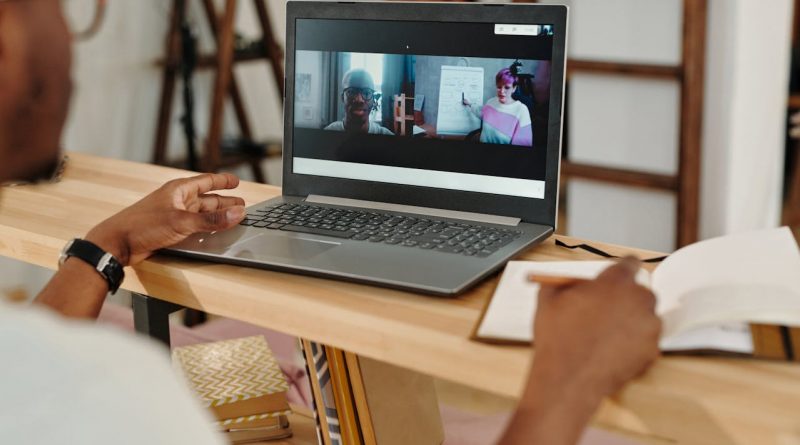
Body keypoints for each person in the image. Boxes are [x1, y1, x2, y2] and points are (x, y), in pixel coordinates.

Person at [0, 1, 660, 444]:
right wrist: (566, 387)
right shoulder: (117, 397)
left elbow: (28, 363)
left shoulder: (41, 374)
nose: (68, 28)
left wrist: (109, 242)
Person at [462, 67, 533, 147]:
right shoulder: (491, 102)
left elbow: (523, 146)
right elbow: (481, 112)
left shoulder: (521, 110)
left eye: (507, 87)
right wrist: (470, 104)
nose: (502, 91)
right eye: (499, 87)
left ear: (514, 88)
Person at [323, 68, 394, 135]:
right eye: (351, 92)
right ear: (342, 98)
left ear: (373, 100)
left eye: (366, 93)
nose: (359, 100)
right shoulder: (326, 135)